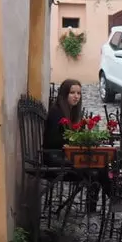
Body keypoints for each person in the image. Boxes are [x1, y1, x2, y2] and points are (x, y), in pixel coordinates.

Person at [42, 79, 109, 212]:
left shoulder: (71, 113)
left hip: (64, 156)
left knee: (100, 165)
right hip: (55, 158)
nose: (76, 96)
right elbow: (53, 141)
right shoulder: (57, 112)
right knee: (98, 167)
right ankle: (109, 199)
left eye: (78, 93)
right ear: (64, 94)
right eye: (72, 92)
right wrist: (74, 142)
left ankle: (97, 205)